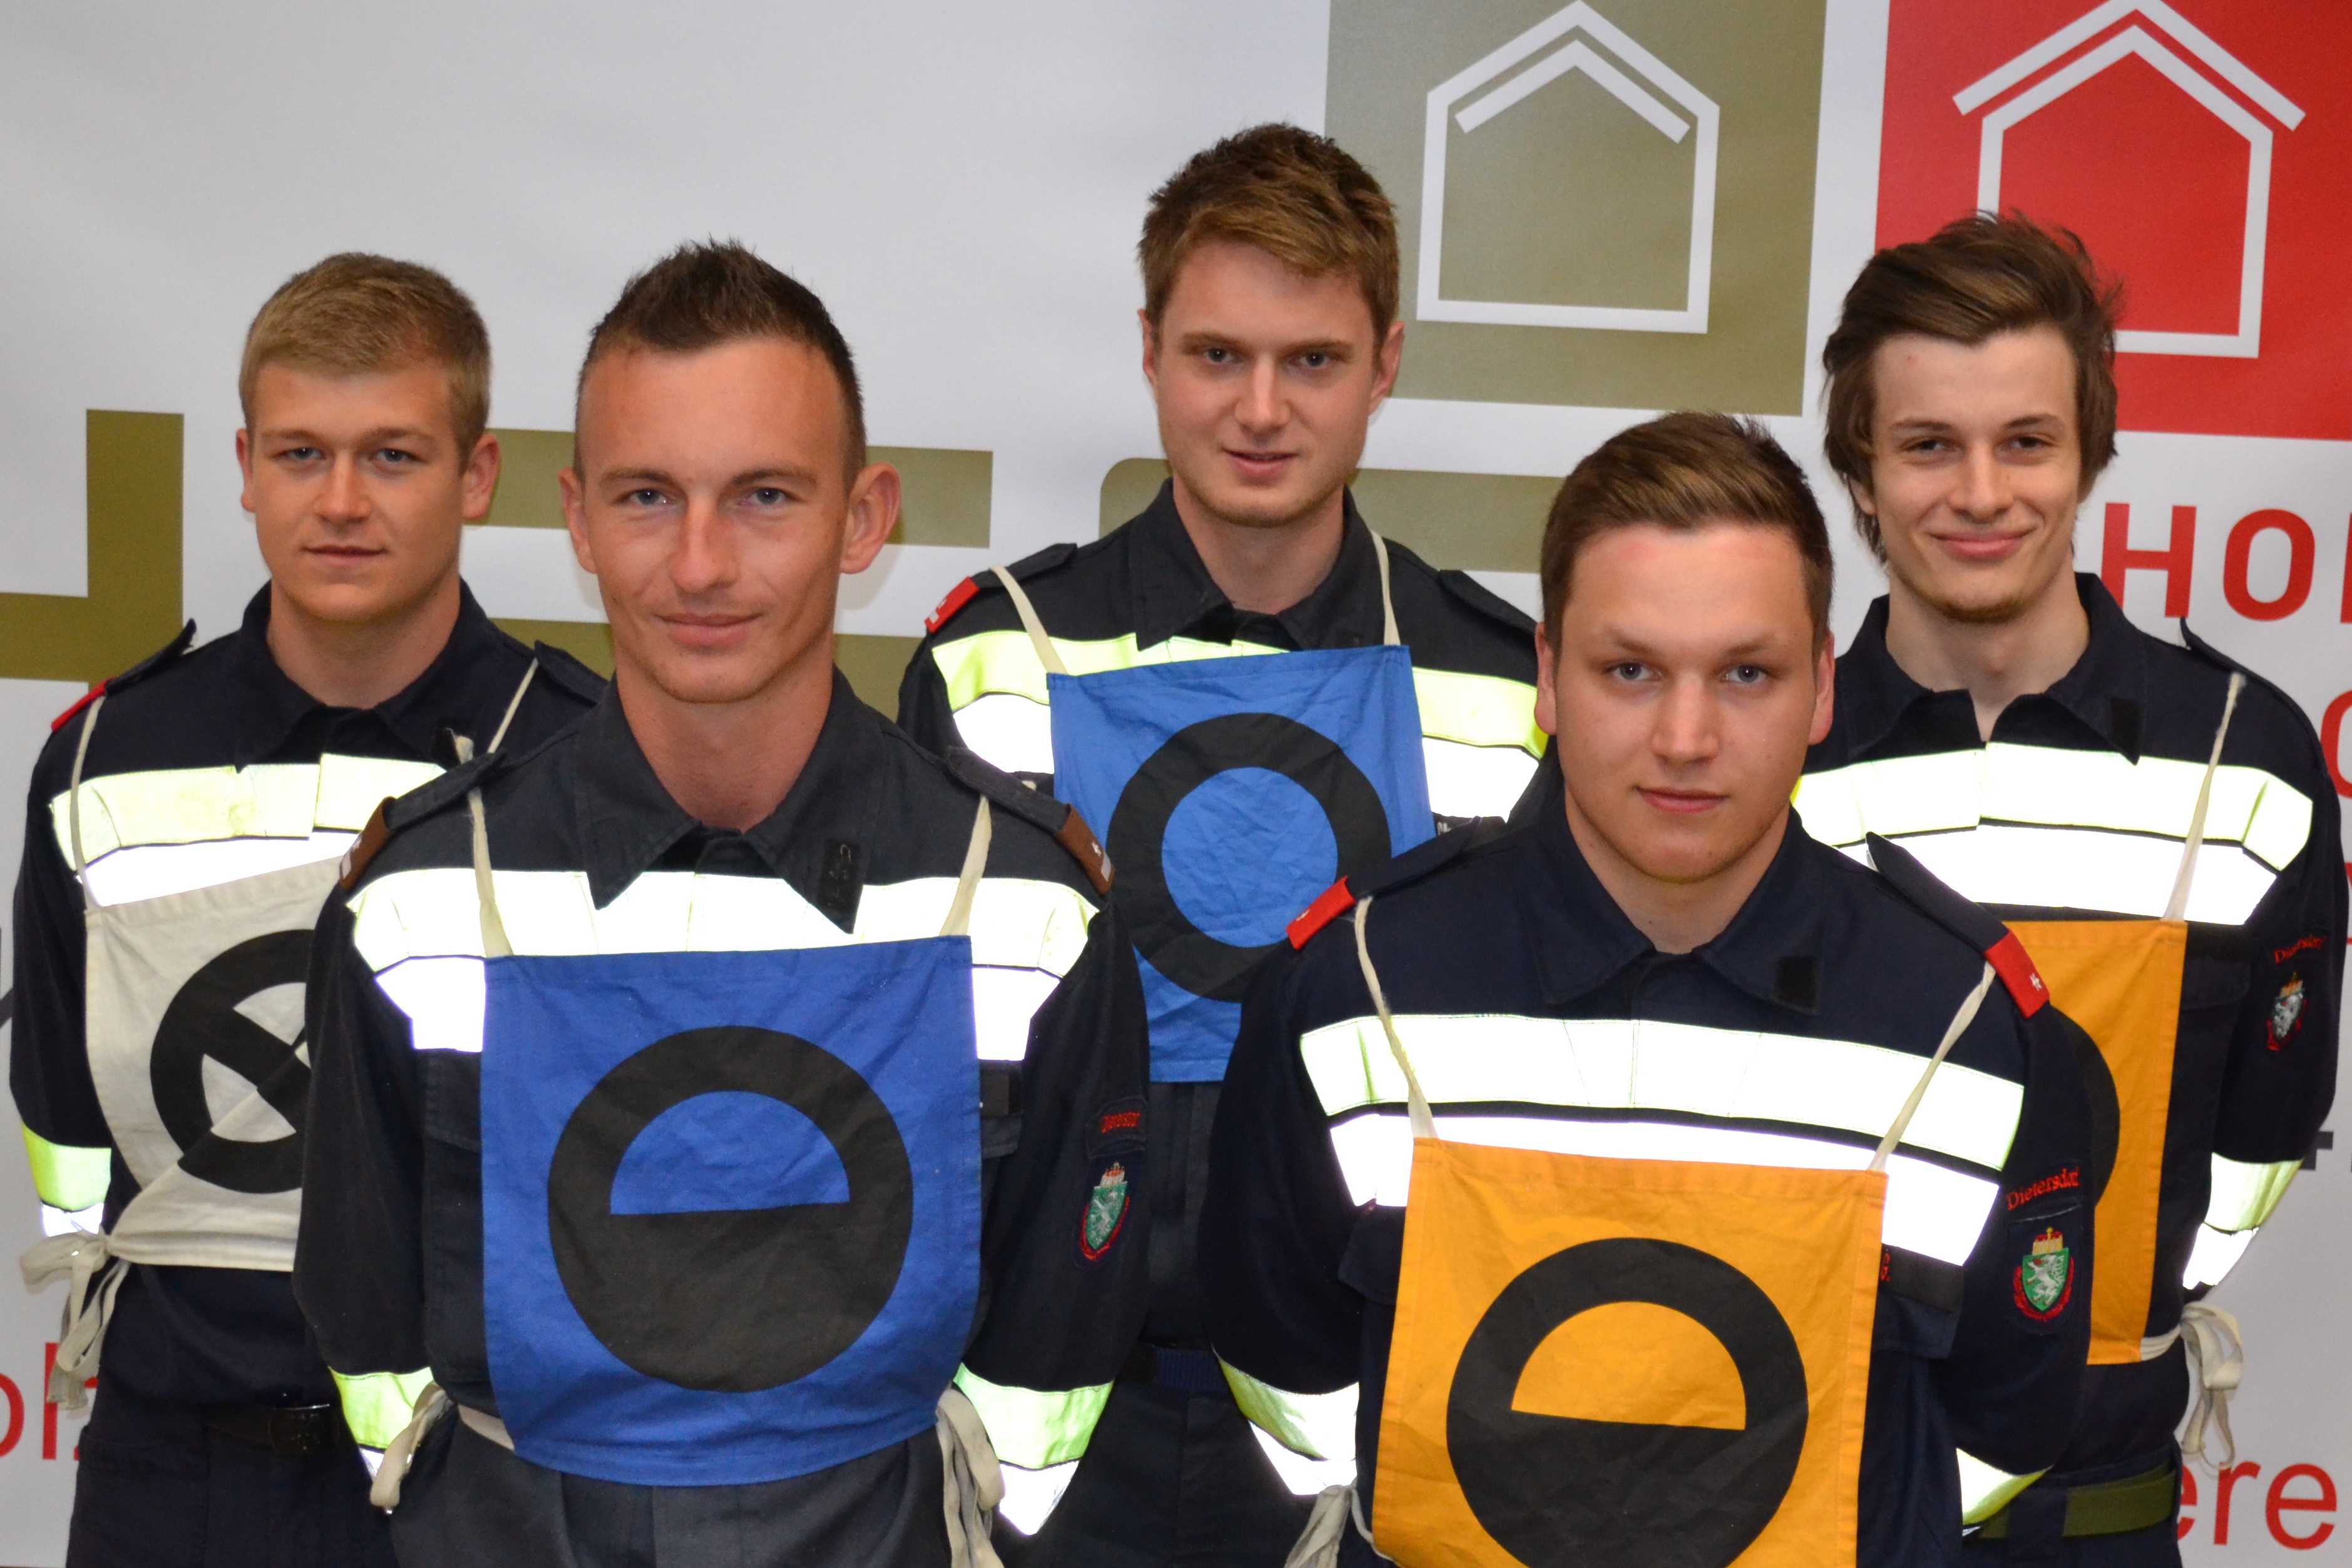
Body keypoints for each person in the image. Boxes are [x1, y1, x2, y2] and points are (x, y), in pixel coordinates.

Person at [294, 241, 1146, 1567]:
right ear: (577, 519)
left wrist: (961, 1524)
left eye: (763, 496)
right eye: (648, 495)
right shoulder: (419, 897)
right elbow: (365, 1311)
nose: (699, 564)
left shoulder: (1025, 903)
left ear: (863, 518)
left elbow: (1056, 1341)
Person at [1202, 412, 2105, 1567]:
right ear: (1546, 675)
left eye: (1745, 673)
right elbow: (1288, 1370)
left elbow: (2001, 1425)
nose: (1685, 737)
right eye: (1629, 670)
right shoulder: (1357, 990)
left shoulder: (1965, 1026)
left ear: (1821, 689)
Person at [895, 123, 1543, 1565]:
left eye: (1311, 359)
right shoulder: (995, 659)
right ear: (1147, 351)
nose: (1260, 409)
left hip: (1380, 1430)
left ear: (1385, 362)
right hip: (1046, 1439)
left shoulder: (1502, 681)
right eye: (1216, 355)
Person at [8, 254, 602, 1567]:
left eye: (392, 455)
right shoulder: (105, 757)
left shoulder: (583, 761)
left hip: (488, 1473)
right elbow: (62, 1111)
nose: (340, 502)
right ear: (244, 466)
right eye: (300, 454)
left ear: (477, 474)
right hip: (170, 1474)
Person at [1797, 214, 2343, 1562]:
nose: (1981, 493)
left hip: (2096, 1519)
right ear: (1859, 467)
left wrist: (2093, 1324)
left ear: (2091, 451)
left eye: (2026, 441)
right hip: (1789, 1505)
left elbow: (2262, 1141)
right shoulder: (1763, 755)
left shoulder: (2245, 758)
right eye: (1928, 444)